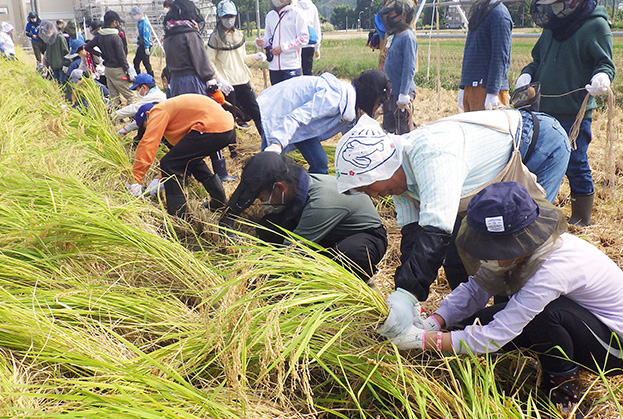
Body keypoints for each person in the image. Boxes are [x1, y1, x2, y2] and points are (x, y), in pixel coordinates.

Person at [334, 109, 571, 338]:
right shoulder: (398, 181)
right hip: (490, 176)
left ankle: (510, 334)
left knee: (518, 247)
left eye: (368, 187)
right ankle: (470, 322)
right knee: (459, 252)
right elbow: (414, 235)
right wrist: (406, 296)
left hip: (535, 147)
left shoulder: (431, 153)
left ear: (382, 168)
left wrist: (408, 294)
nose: (373, 196)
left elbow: (437, 229)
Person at [390, 181, 623, 413]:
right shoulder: (522, 251)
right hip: (581, 320)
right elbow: (477, 288)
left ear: (519, 242)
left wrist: (423, 340)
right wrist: (436, 322)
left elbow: (495, 337)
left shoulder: (554, 268)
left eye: (496, 250)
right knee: (475, 323)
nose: (490, 256)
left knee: (546, 316)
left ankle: (563, 395)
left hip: (614, 345)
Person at [516, 0, 615, 226]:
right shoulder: (552, 25)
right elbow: (538, 60)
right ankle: (537, 209)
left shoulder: (596, 26)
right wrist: (527, 74)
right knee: (540, 159)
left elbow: (605, 64)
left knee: (576, 162)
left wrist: (602, 78)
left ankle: (581, 219)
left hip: (574, 112)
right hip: (543, 110)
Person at [221, 152, 388, 281]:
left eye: (263, 198)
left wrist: (257, 282)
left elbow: (291, 252)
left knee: (349, 254)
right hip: (331, 230)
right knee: (269, 227)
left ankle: (361, 278)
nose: (263, 203)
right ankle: (324, 259)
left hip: (365, 236)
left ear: (279, 188)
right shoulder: (298, 187)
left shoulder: (320, 203)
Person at [258, 69, 392, 175]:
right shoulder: (333, 99)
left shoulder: (350, 107)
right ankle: (242, 203)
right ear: (369, 95)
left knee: (320, 163)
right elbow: (297, 116)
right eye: (379, 102)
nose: (378, 107)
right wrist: (277, 144)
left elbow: (352, 138)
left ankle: (313, 193)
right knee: (268, 166)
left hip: (303, 127)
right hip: (279, 112)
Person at [126, 94, 236, 218]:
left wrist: (136, 178)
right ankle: (219, 202)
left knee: (168, 164)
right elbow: (181, 157)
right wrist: (160, 178)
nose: (149, 130)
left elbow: (148, 143)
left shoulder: (157, 111)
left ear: (147, 115)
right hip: (227, 128)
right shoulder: (177, 118)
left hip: (213, 126)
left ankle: (179, 216)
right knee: (193, 162)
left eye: (146, 127)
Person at [207, 0, 266, 139]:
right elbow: (209, 61)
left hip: (242, 80)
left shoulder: (239, 35)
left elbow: (243, 59)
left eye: (231, 16)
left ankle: (266, 141)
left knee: (256, 112)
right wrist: (219, 78)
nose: (229, 20)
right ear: (219, 18)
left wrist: (256, 57)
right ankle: (233, 151)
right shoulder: (215, 38)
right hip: (227, 85)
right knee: (229, 118)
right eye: (225, 17)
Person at [457, 0, 512, 112]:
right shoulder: (481, 11)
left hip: (486, 89)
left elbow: (500, 57)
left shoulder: (499, 15)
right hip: (472, 87)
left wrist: (493, 92)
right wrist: (463, 86)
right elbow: (470, 52)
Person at [378, 0, 417, 134]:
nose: (389, 18)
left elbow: (409, 67)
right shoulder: (394, 36)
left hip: (401, 93)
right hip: (390, 92)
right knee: (389, 129)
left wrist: (404, 93)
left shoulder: (408, 37)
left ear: (403, 16)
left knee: (403, 130)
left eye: (392, 15)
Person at [162, 0, 216, 97]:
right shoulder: (190, 34)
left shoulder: (168, 35)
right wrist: (210, 79)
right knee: (197, 110)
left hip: (175, 82)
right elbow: (200, 60)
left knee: (181, 111)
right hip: (192, 82)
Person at [86, 10, 136, 107]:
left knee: (114, 97)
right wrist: (128, 70)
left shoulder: (99, 36)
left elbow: (88, 47)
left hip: (108, 69)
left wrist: (100, 54)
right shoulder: (115, 37)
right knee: (131, 96)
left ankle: (116, 119)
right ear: (114, 22)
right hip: (118, 69)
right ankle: (132, 118)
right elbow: (121, 56)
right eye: (117, 22)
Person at [255, 0, 308, 85]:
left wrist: (283, 48)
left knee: (291, 96)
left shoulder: (296, 13)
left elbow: (304, 38)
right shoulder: (270, 15)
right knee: (277, 96)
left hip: (291, 65)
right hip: (274, 66)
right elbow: (268, 37)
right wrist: (260, 42)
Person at [295, 0, 321, 76]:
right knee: (308, 71)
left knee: (296, 71)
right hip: (310, 43)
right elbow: (317, 27)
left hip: (297, 44)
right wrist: (317, 47)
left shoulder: (294, 6)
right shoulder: (313, 7)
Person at [129, 7, 154, 77]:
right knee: (136, 61)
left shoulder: (144, 23)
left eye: (135, 15)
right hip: (141, 44)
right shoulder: (139, 23)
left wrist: (146, 47)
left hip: (145, 45)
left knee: (146, 62)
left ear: (139, 14)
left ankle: (151, 77)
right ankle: (138, 76)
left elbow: (146, 35)